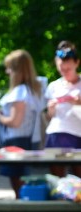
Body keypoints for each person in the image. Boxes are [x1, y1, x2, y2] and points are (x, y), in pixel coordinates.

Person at [0, 49, 44, 198]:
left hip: (17, 141)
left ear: (17, 70)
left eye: (9, 68)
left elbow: (15, 122)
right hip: (21, 140)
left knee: (17, 181)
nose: (7, 72)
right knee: (17, 179)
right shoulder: (30, 90)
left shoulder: (20, 92)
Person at [44, 40, 81, 178]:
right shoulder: (53, 86)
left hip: (78, 135)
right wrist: (51, 108)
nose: (64, 72)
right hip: (56, 134)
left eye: (68, 69)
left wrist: (78, 103)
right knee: (57, 179)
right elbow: (50, 116)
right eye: (61, 69)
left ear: (77, 63)